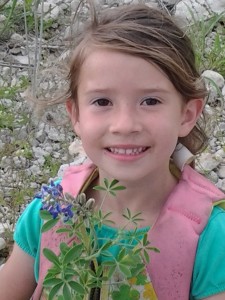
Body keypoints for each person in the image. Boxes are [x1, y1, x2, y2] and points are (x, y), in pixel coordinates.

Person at [0, 2, 225, 299]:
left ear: (187, 114)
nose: (124, 125)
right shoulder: (50, 209)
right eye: (102, 102)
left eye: (150, 101)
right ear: (76, 114)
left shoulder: (211, 234)